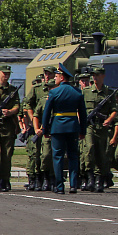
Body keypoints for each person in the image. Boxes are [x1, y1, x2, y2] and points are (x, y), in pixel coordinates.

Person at [41, 64, 87, 194]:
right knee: (73, 156)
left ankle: (60, 186)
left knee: (58, 157)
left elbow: (47, 113)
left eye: (56, 76)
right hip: (73, 127)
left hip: (58, 127)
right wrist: (83, 130)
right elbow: (83, 114)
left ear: (62, 77)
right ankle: (73, 185)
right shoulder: (77, 92)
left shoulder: (54, 92)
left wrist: (45, 129)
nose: (54, 78)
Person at [81, 65, 118, 193]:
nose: (95, 78)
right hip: (89, 125)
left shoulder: (108, 92)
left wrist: (109, 119)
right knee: (89, 148)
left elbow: (114, 110)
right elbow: (79, 109)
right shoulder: (85, 91)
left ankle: (99, 180)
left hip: (102, 126)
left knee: (101, 153)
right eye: (93, 75)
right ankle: (89, 177)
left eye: (97, 75)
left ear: (103, 76)